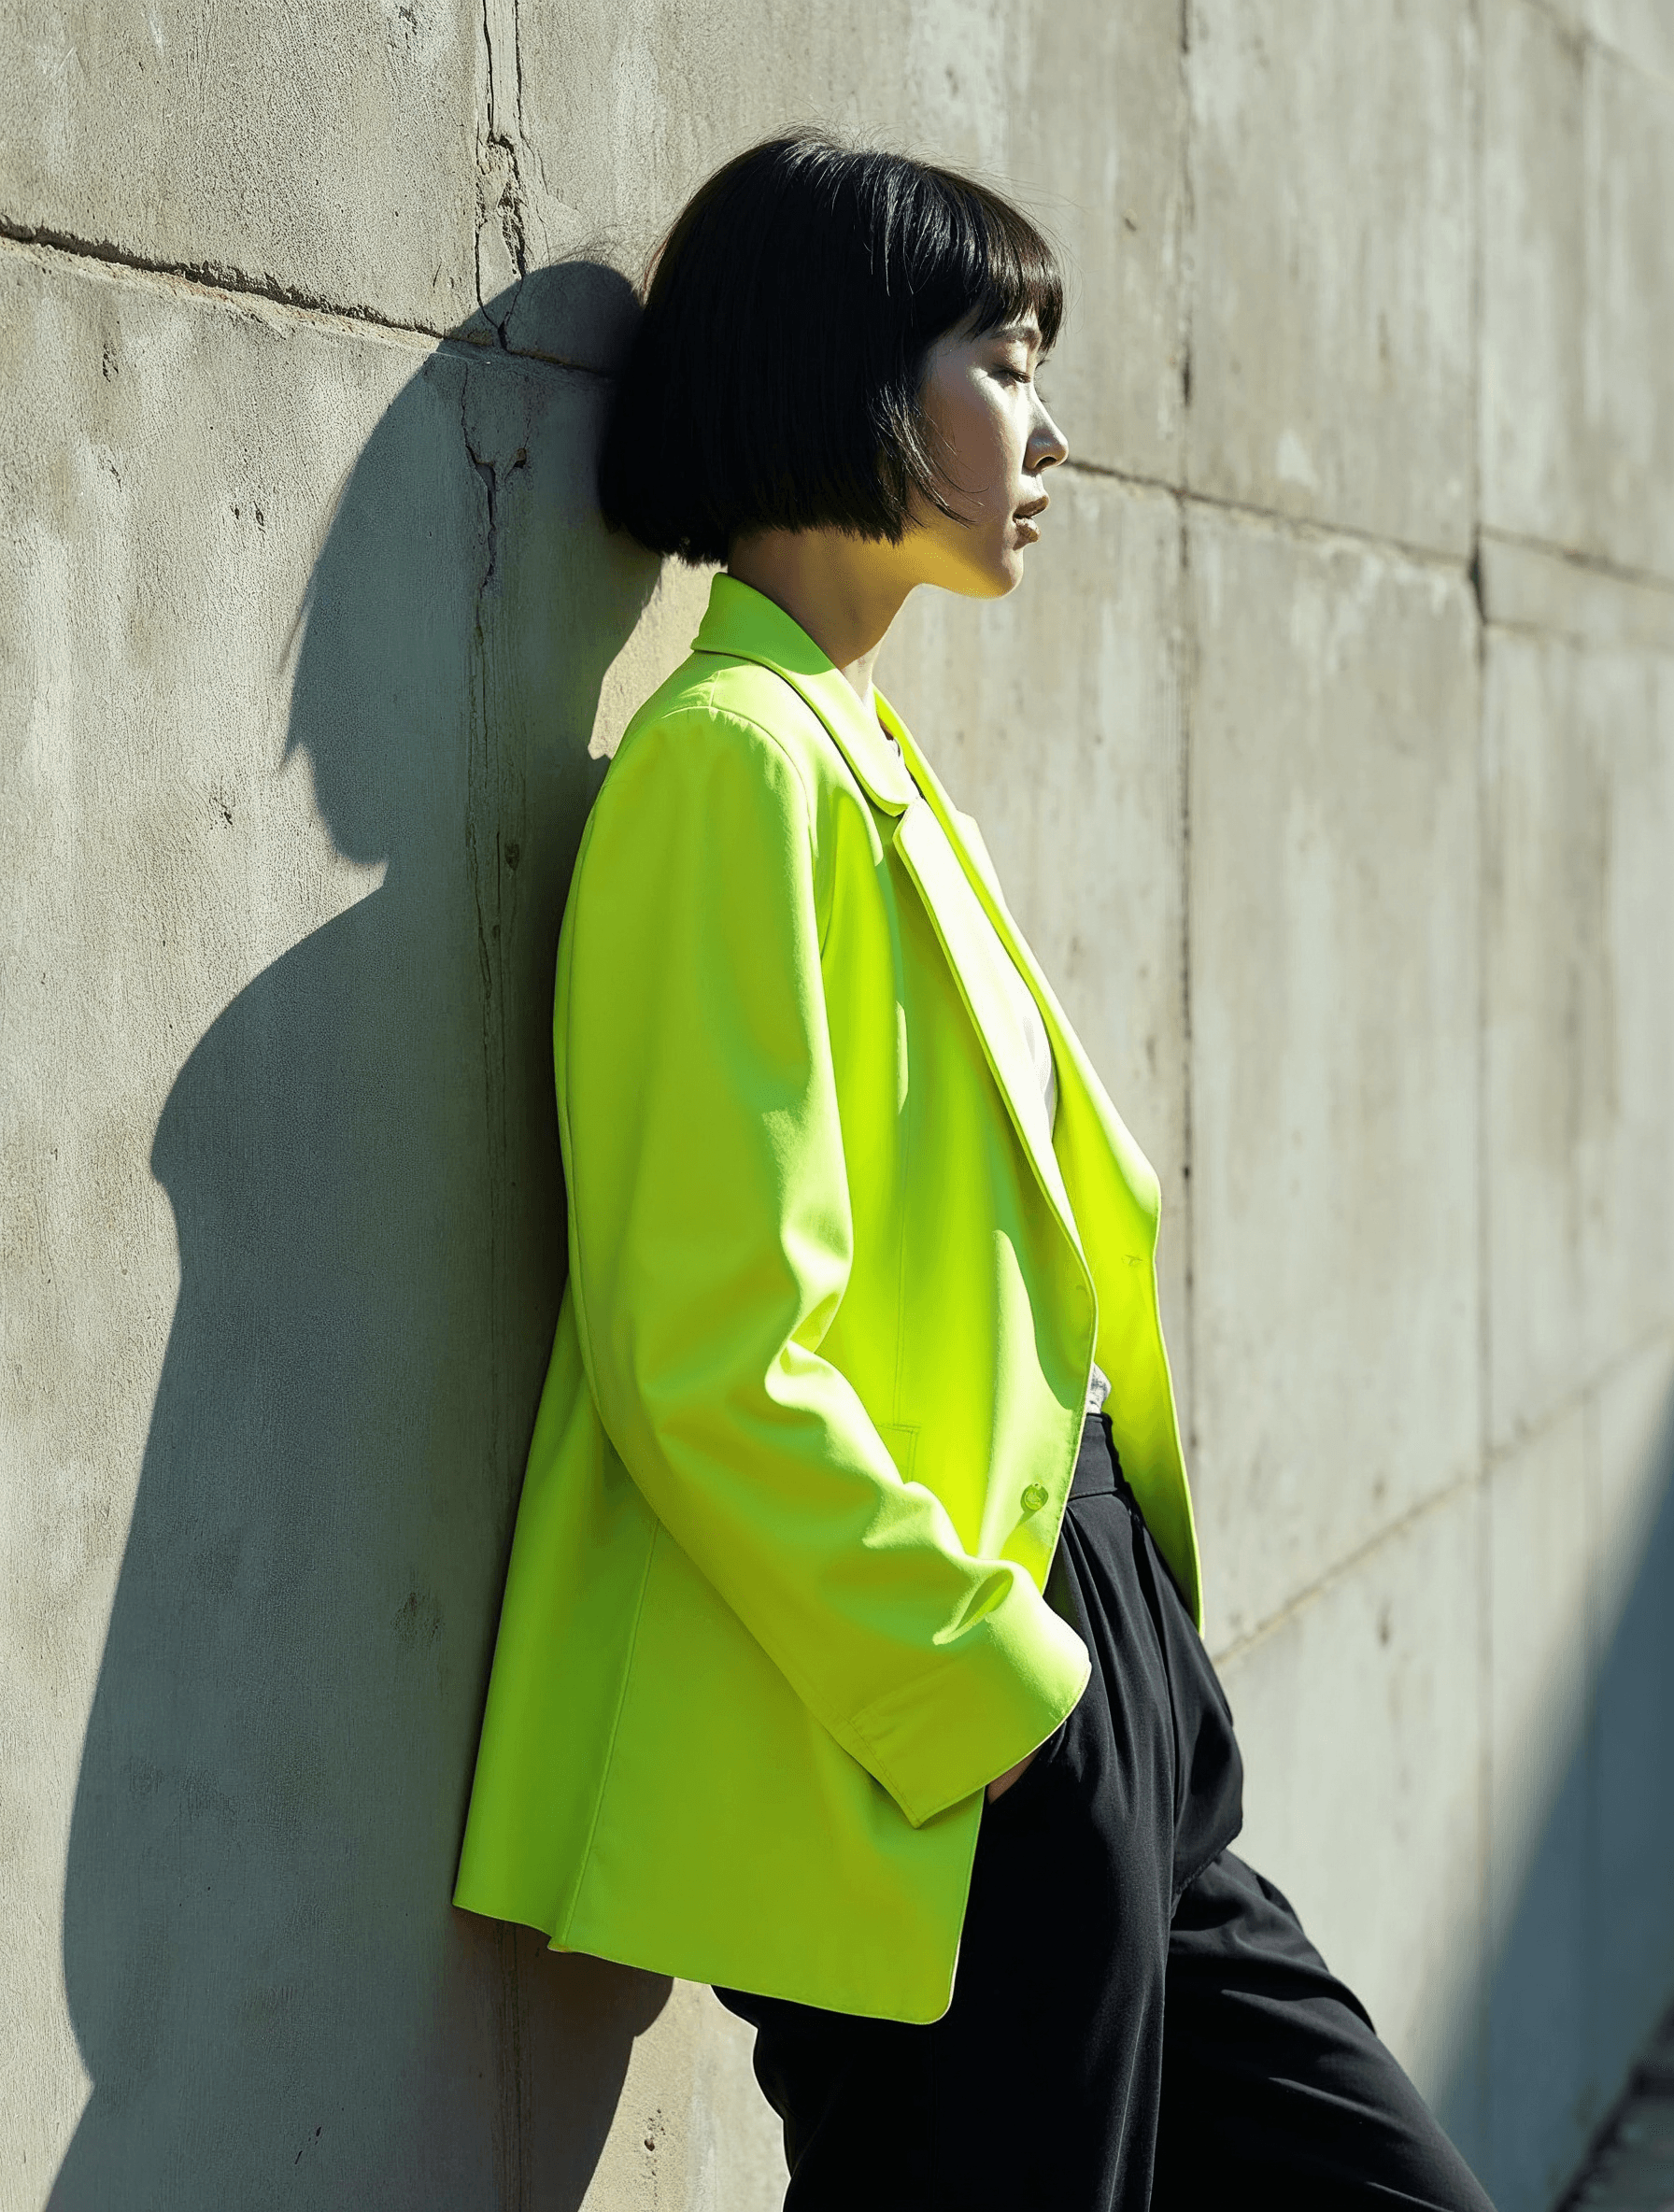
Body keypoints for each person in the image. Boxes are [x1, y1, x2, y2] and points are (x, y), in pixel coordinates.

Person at [453, 133, 1495, 2210]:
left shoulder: (859, 753)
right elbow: (705, 1353)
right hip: (962, 1719)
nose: (1049, 428)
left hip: (1095, 1661)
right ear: (846, 374)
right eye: (1004, 363)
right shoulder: (730, 768)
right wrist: (998, 1703)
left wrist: (1108, 1677)